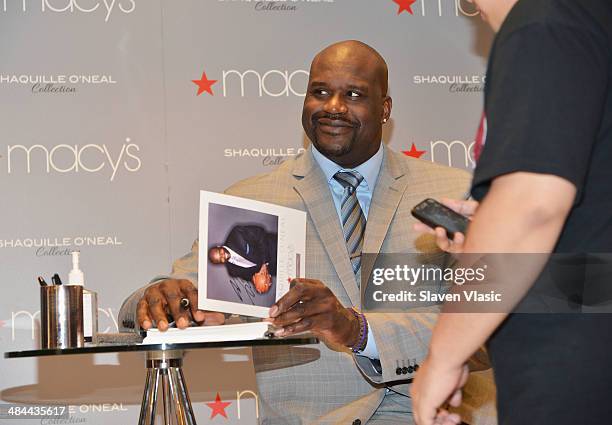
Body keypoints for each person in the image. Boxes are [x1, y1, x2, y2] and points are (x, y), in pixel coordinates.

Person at [119, 40, 496, 425]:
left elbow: (492, 329)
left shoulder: (455, 195)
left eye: (353, 94)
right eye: (320, 92)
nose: (333, 106)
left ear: (384, 109)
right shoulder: (252, 201)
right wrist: (157, 300)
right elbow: (170, 295)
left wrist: (359, 330)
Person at [411, 1, 612, 425]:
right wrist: (489, 225)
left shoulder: (543, 24)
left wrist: (444, 355)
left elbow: (531, 208)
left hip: (575, 364)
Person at [208, 224, 277, 293]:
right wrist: (257, 283)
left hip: (275, 247)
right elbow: (250, 277)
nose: (223, 256)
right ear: (220, 263)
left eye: (220, 252)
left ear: (219, 246)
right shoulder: (232, 271)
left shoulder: (236, 234)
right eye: (220, 259)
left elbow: (260, 233)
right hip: (274, 269)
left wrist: (265, 263)